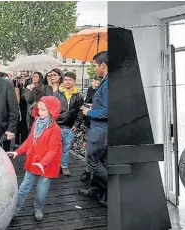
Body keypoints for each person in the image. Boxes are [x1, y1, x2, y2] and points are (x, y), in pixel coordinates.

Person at [7, 96, 62, 222]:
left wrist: (43, 163)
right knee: (23, 188)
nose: (40, 112)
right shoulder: (36, 123)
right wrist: (18, 151)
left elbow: (53, 150)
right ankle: (15, 210)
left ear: (52, 111)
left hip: (45, 167)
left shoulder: (55, 129)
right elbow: (29, 140)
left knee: (41, 192)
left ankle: (38, 208)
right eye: (39, 109)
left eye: (44, 110)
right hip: (32, 163)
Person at [78, 51, 108, 207]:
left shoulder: (108, 83)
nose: (94, 69)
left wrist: (88, 112)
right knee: (100, 161)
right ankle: (96, 190)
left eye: (95, 66)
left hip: (100, 131)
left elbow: (108, 111)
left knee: (93, 162)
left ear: (103, 65)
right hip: (99, 129)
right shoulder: (105, 81)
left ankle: (107, 190)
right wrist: (91, 106)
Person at [53, 71, 84, 176]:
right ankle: (55, 166)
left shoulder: (79, 96)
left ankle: (64, 166)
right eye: (65, 79)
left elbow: (80, 111)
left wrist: (76, 124)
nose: (67, 82)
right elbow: (51, 110)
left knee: (66, 148)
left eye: (70, 80)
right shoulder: (57, 94)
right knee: (55, 148)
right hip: (57, 125)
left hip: (70, 127)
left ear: (74, 81)